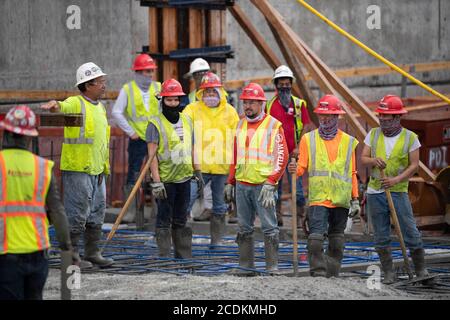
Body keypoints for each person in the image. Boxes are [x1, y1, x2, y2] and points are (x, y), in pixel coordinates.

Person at [41, 62, 113, 268]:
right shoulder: (76, 103)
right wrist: (54, 106)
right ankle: (71, 257)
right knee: (76, 214)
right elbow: (61, 107)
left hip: (98, 170)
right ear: (87, 85)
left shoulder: (100, 108)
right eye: (100, 82)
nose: (104, 85)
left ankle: (92, 252)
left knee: (97, 212)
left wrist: (104, 167)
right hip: (78, 170)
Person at [0, 106, 72, 300]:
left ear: (5, 132)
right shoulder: (42, 167)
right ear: (29, 137)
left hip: (6, 254)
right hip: (38, 253)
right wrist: (67, 247)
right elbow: (57, 211)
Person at [288, 95, 360, 278]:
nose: (325, 119)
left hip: (341, 200)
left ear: (337, 117)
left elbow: (351, 172)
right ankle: (318, 273)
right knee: (315, 240)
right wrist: (295, 168)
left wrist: (356, 198)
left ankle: (332, 272)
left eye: (330, 115)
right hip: (319, 198)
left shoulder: (348, 142)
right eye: (322, 115)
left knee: (337, 241)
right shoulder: (308, 139)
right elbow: (302, 166)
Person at [360, 95, 430, 284]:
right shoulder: (373, 134)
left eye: (387, 118)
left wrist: (396, 180)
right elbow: (363, 158)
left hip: (398, 191)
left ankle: (421, 270)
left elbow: (414, 165)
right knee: (381, 235)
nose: (383, 121)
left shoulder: (410, 138)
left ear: (398, 118)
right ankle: (389, 272)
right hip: (376, 192)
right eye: (381, 117)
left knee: (410, 231)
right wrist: (373, 160)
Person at [225, 83, 288, 274]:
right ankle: (246, 266)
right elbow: (236, 155)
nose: (248, 106)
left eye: (252, 102)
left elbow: (281, 156)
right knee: (244, 227)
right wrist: (230, 181)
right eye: (245, 103)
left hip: (263, 186)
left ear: (261, 103)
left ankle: (272, 267)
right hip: (243, 185)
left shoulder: (273, 125)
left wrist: (272, 181)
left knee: (269, 227)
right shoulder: (240, 123)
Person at [183, 72, 239, 246]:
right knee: (186, 200)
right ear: (201, 94)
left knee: (220, 206)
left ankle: (218, 242)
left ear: (220, 92)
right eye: (206, 92)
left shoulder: (230, 112)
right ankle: (180, 240)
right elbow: (180, 126)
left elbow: (238, 139)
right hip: (197, 166)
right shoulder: (192, 109)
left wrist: (235, 169)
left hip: (222, 168)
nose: (210, 96)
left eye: (213, 92)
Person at [146, 79, 198, 258]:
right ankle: (164, 256)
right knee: (163, 220)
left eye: (176, 100)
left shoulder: (187, 120)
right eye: (169, 100)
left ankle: (182, 255)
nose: (174, 104)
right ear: (163, 100)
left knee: (181, 219)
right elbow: (151, 156)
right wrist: (157, 181)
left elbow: (191, 148)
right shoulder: (155, 123)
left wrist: (196, 170)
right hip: (166, 180)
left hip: (184, 177)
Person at [112, 53, 161, 222]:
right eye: (146, 71)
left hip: (156, 139)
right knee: (133, 174)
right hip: (138, 139)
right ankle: (130, 212)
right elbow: (116, 112)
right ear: (138, 72)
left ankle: (158, 212)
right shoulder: (128, 89)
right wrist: (130, 131)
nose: (149, 75)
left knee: (159, 173)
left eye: (151, 71)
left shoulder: (158, 88)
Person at [266, 65, 311, 227]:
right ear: (276, 85)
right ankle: (277, 217)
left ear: (291, 84)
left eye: (287, 83)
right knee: (275, 188)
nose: (284, 86)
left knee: (297, 189)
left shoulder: (299, 105)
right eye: (281, 83)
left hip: (294, 154)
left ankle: (301, 217)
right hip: (276, 154)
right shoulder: (270, 105)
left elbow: (306, 126)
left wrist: (299, 147)